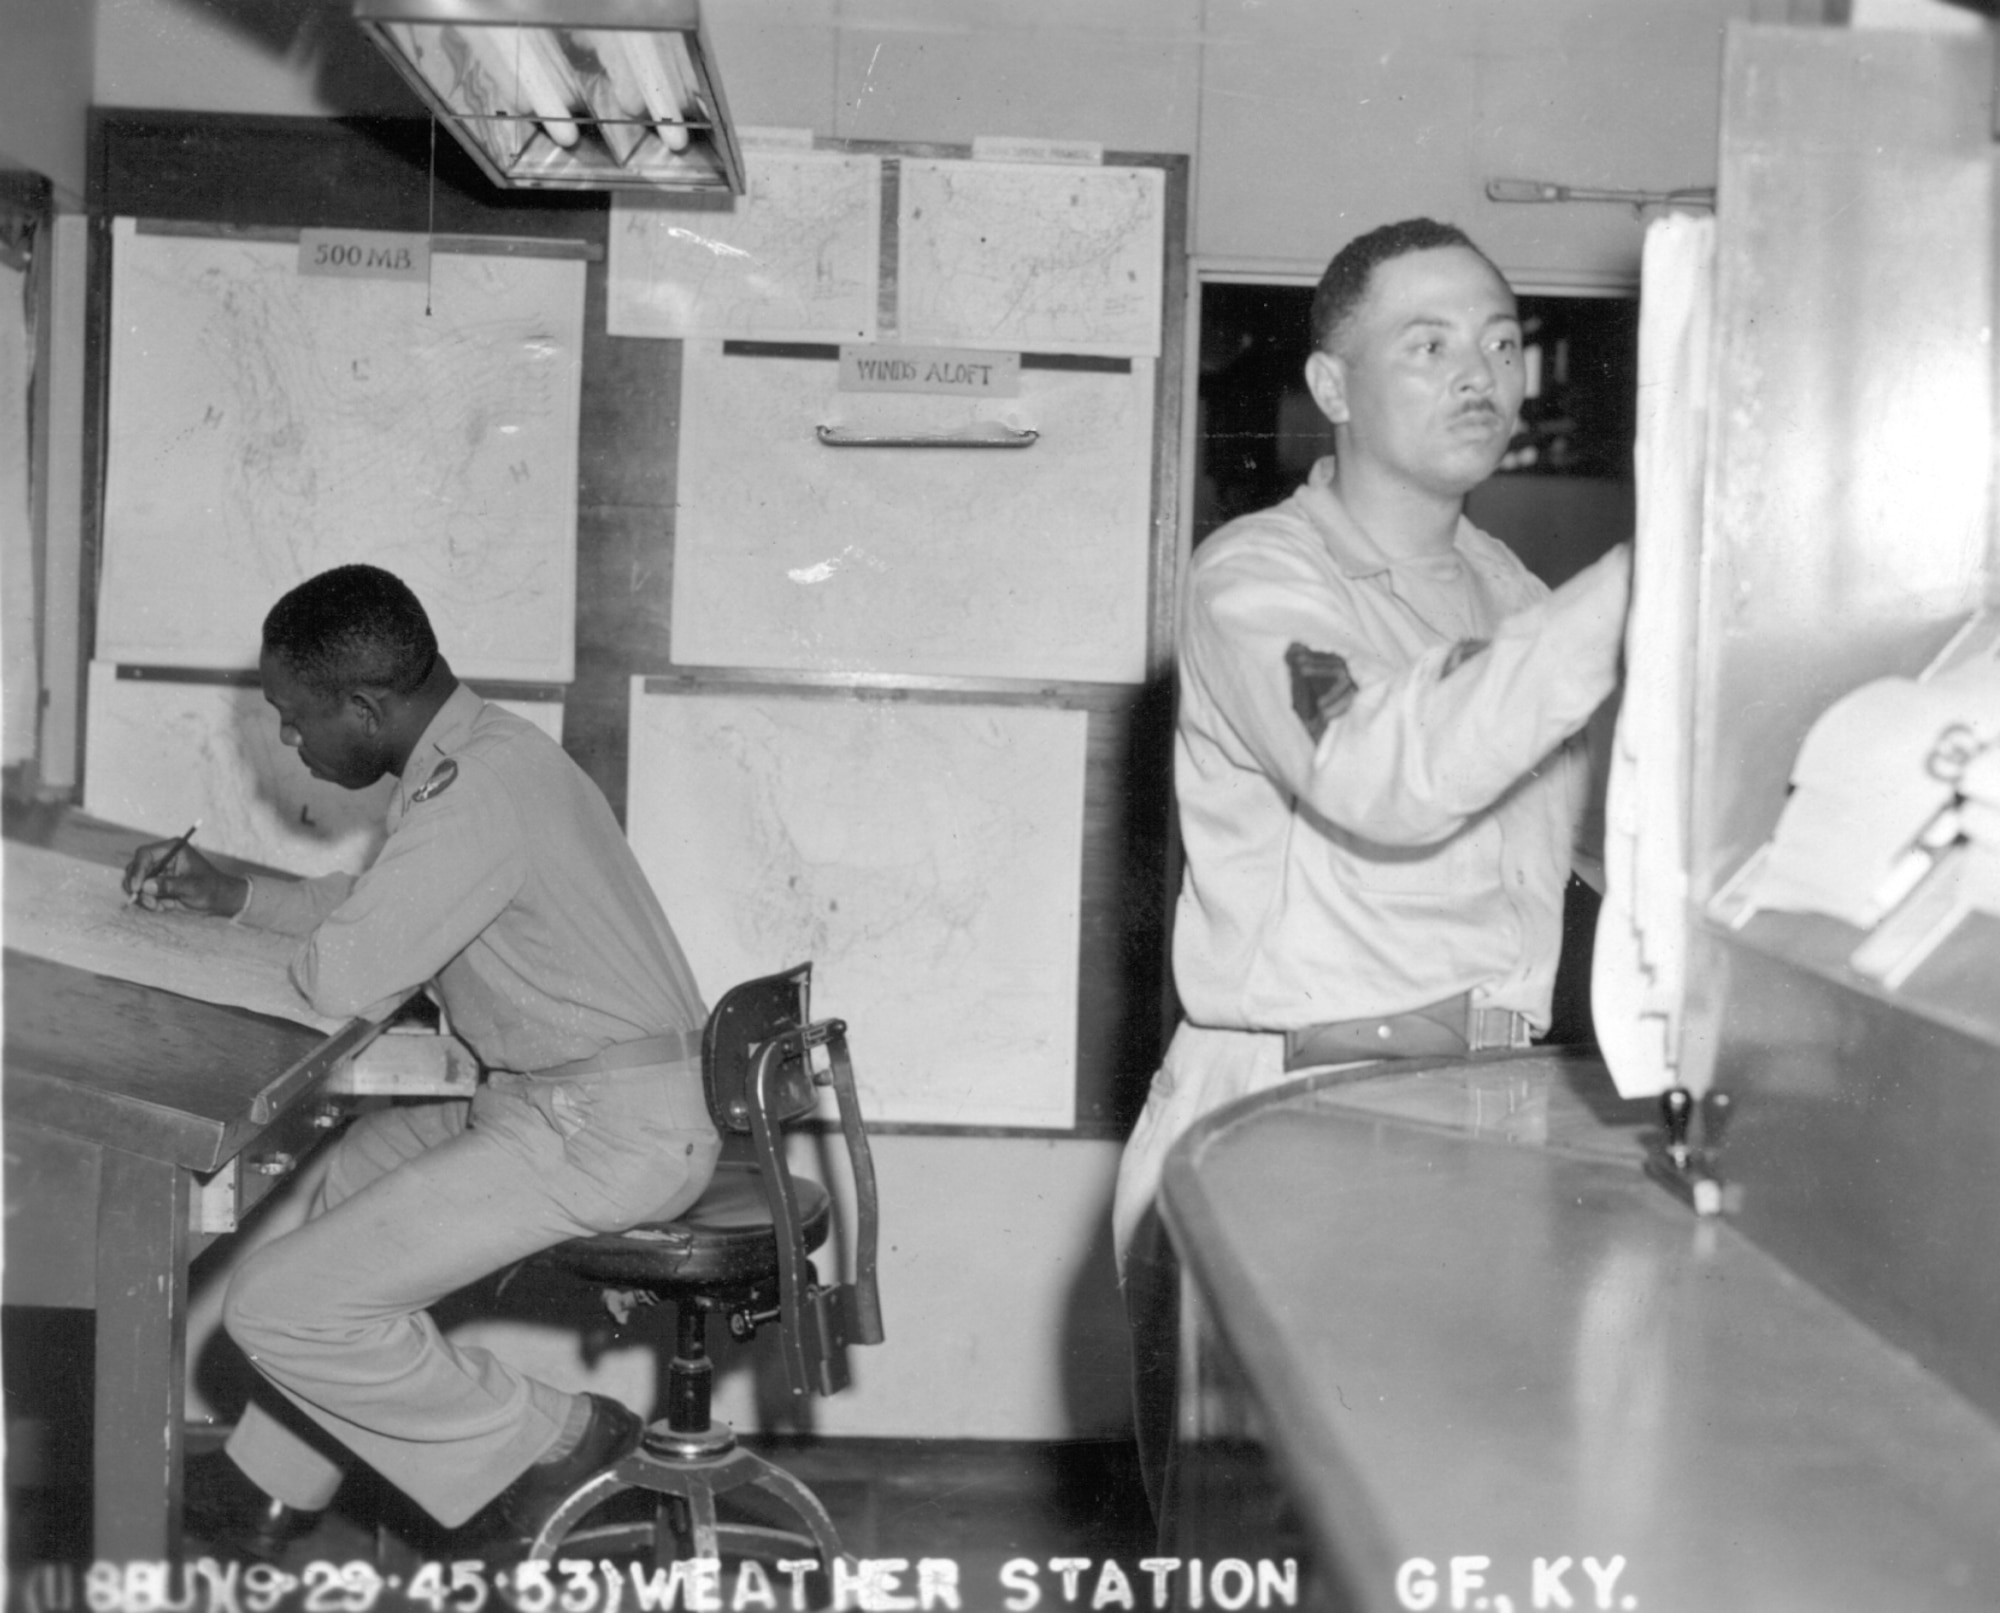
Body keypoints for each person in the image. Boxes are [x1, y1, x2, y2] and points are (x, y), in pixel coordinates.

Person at [1112, 219, 1633, 1520]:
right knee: (1269, 1570)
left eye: (1504, 343)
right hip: (1290, 1126)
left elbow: (1595, 843)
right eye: (1431, 342)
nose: (1483, 374)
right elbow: (1379, 774)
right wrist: (1641, 583)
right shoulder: (1256, 577)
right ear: (1334, 388)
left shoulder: (1509, 587)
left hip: (1476, 1127)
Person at [124, 564, 719, 1559]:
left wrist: (222, 959)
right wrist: (232, 898)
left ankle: (563, 1441)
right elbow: (371, 913)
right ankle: (275, 1478)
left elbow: (341, 971)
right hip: (580, 1101)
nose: (288, 739)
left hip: (606, 1128)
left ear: (363, 706)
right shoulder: (482, 758)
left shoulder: (473, 791)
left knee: (277, 1307)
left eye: (293, 715)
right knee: (350, 1173)